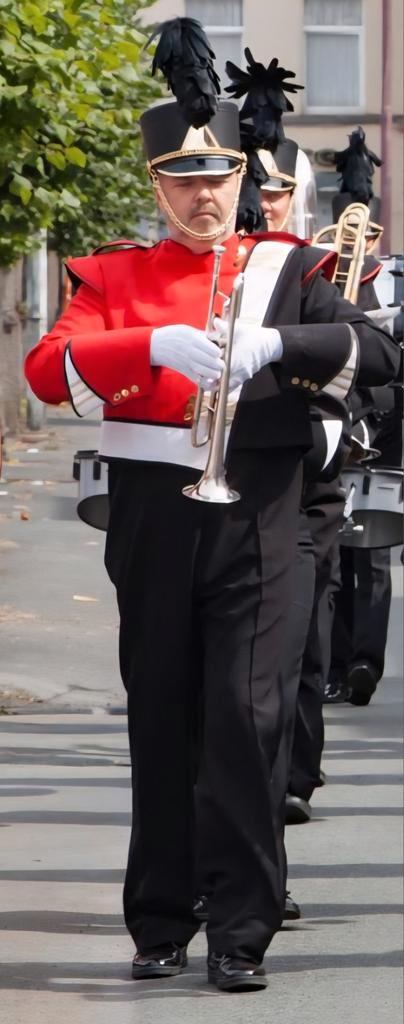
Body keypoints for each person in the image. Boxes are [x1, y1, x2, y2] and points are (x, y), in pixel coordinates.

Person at [24, 21, 400, 993]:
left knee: (246, 710)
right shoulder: (114, 274)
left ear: (240, 174)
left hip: (266, 510)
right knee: (161, 709)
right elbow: (47, 369)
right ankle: (160, 913)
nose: (203, 195)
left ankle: (241, 924)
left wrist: (278, 348)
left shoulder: (290, 268)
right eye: (182, 179)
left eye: (218, 176)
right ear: (157, 185)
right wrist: (142, 346)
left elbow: (379, 356)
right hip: (153, 512)